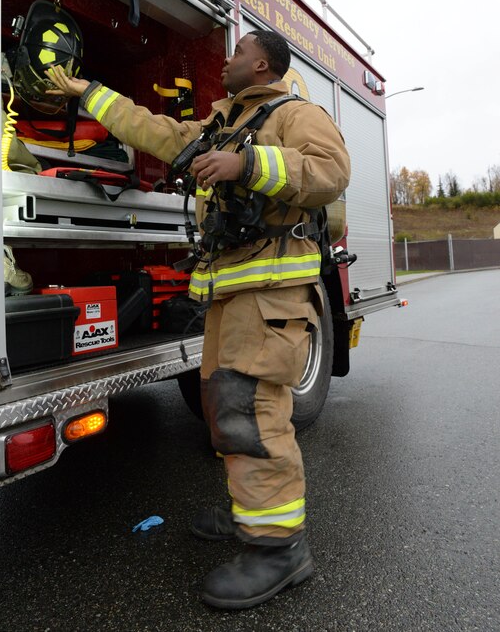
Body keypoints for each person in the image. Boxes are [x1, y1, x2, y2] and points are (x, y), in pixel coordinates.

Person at [46, 30, 350, 610]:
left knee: (253, 411)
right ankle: (249, 512)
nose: (225, 59)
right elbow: (153, 129)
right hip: (232, 293)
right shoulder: (220, 124)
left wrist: (246, 162)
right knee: (221, 404)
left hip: (270, 292)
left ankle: (280, 551)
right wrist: (89, 91)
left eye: (236, 52)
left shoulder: (294, 114)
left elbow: (332, 171)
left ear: (261, 64)